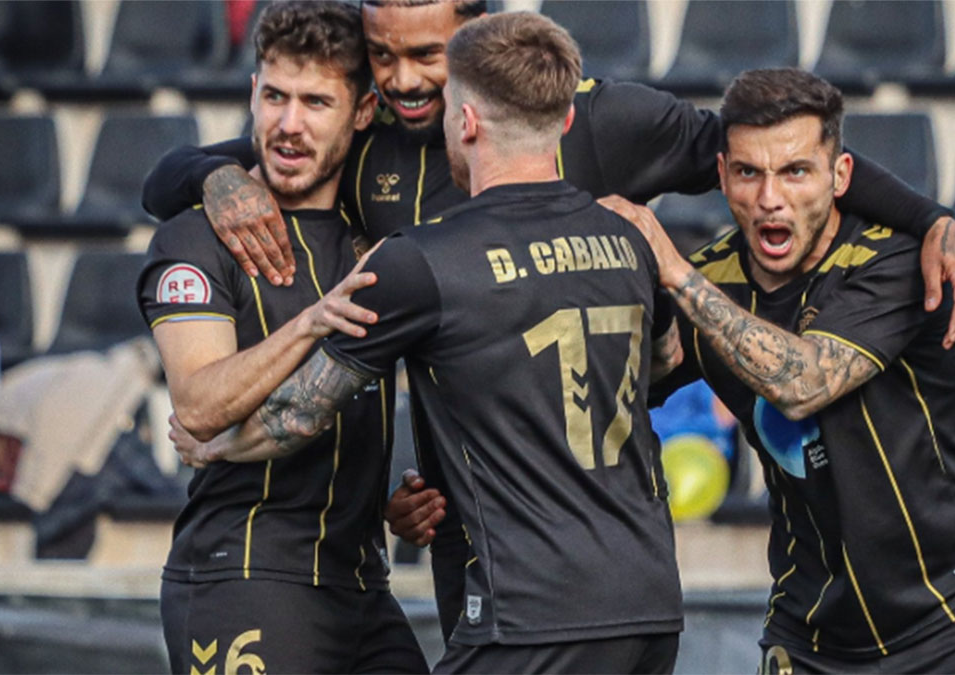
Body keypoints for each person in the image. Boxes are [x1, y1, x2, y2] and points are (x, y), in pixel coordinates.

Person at [144, 0, 955, 640]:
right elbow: (261, 148)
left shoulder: (601, 123)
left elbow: (765, 145)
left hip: (579, 554)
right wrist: (207, 174)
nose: (401, 80)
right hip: (484, 541)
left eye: (427, 56)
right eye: (381, 56)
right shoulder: (373, 141)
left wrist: (931, 218)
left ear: (475, 50)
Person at [175, 12, 686, 673]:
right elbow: (664, 361)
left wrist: (212, 442)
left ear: (465, 122)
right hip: (651, 601)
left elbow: (297, 414)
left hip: (530, 613)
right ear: (562, 123)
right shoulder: (628, 239)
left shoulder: (421, 259)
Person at [604, 68, 955, 673]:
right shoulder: (712, 279)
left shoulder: (898, 261)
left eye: (796, 171)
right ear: (722, 176)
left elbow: (801, 383)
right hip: (813, 631)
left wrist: (673, 273)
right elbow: (628, 382)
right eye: (749, 173)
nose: (770, 198)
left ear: (840, 176)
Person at [135, 3, 426, 672]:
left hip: (360, 584)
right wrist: (313, 320)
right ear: (252, 94)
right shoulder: (194, 236)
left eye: (316, 101)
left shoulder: (372, 229)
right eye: (274, 96)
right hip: (245, 578)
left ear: (362, 112)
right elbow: (200, 406)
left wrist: (393, 497)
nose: (288, 125)